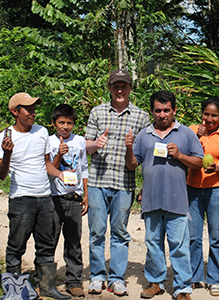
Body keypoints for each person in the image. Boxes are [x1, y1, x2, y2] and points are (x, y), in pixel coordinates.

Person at [125, 90, 204, 300]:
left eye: (166, 110)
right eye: (158, 111)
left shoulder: (186, 133)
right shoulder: (144, 135)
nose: (162, 115)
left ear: (174, 110)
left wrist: (179, 155)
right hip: (151, 200)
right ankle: (156, 282)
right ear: (152, 111)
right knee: (153, 245)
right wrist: (129, 148)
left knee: (179, 246)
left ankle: (183, 288)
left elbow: (199, 162)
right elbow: (132, 164)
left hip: (177, 200)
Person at [0, 93, 70, 300]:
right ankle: (14, 291)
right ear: (15, 111)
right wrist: (7, 153)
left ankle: (46, 287)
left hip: (44, 197)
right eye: (28, 109)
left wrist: (60, 174)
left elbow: (46, 163)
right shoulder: (5, 137)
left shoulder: (41, 132)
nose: (33, 113)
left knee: (46, 243)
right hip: (21, 199)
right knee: (17, 244)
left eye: (34, 108)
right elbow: (1, 175)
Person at [85, 69, 150, 296]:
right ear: (110, 88)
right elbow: (85, 146)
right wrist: (96, 144)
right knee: (97, 231)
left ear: (130, 88)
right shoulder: (97, 112)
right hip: (97, 181)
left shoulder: (141, 116)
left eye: (124, 86)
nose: (119, 90)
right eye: (115, 86)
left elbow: (142, 157)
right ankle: (97, 276)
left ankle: (116, 278)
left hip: (125, 183)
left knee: (120, 232)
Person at [187, 98, 219, 296]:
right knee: (193, 236)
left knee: (216, 236)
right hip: (192, 188)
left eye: (214, 115)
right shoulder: (191, 129)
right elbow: (183, 153)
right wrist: (194, 136)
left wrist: (218, 168)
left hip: (217, 189)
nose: (209, 119)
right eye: (206, 114)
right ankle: (194, 276)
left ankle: (216, 279)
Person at [48, 104, 89, 298]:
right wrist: (59, 154)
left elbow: (84, 168)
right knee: (50, 239)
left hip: (74, 198)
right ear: (54, 123)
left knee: (73, 241)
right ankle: (45, 280)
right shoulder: (48, 141)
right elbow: (48, 168)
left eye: (69, 123)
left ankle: (73, 281)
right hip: (54, 197)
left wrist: (85, 194)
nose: (65, 127)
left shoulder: (80, 141)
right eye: (61, 122)